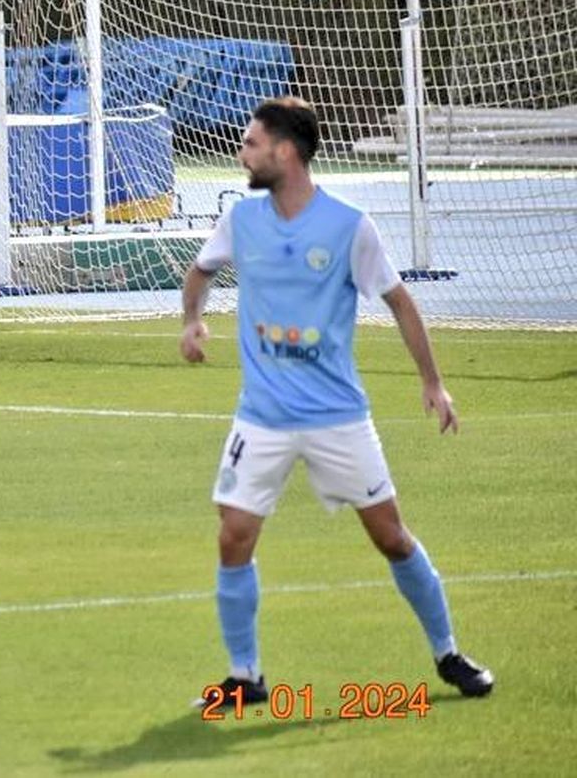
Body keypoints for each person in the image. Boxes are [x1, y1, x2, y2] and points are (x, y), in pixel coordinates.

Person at [181, 96, 493, 705]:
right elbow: (200, 271)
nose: (242, 153)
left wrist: (433, 382)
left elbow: (400, 302)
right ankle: (246, 677)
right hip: (262, 416)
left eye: (251, 143)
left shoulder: (349, 226)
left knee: (391, 537)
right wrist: (192, 320)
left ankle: (448, 652)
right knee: (233, 534)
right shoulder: (240, 220)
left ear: (285, 152)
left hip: (337, 418)